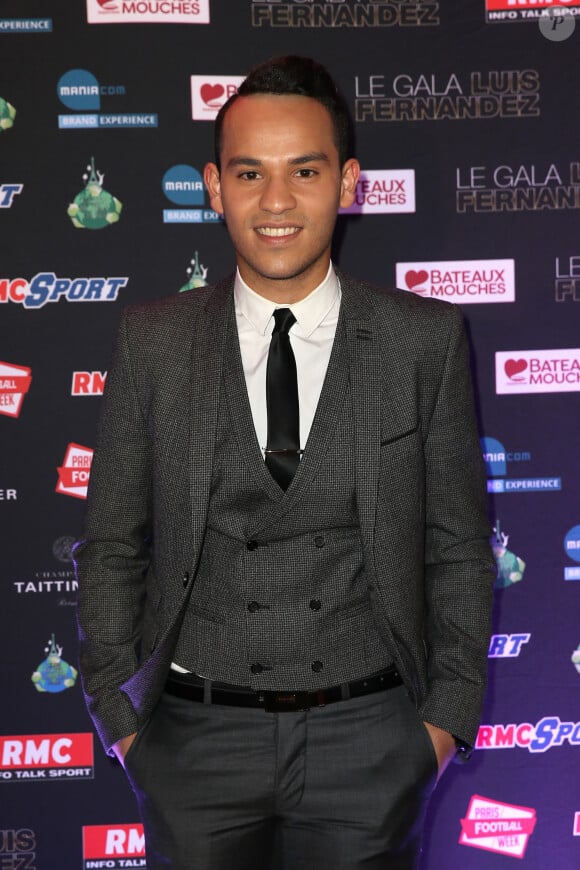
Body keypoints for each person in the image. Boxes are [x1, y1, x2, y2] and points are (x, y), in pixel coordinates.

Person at [75, 55, 495, 870]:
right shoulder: (151, 342)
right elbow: (112, 545)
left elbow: (460, 549)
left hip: (369, 745)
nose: (275, 202)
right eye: (249, 173)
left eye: (304, 171)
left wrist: (441, 725)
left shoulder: (423, 341)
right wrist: (123, 727)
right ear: (213, 185)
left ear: (348, 183)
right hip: (193, 746)